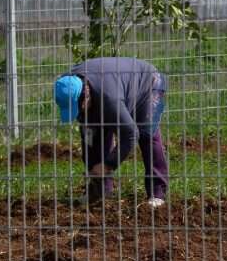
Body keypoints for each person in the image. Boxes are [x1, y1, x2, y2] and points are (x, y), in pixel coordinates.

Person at [53, 57, 168, 207]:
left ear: (86, 96)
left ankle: (157, 192)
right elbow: (89, 139)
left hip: (148, 82)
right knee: (92, 135)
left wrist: (108, 165)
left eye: (78, 108)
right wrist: (94, 170)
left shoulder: (109, 100)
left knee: (147, 134)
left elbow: (130, 135)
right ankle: (99, 191)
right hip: (114, 85)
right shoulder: (66, 84)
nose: (78, 114)